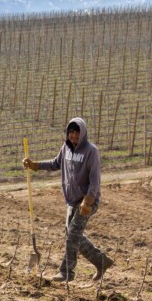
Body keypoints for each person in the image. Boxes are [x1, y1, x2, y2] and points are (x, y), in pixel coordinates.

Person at [23, 117, 114, 282]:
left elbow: (95, 180)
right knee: (72, 235)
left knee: (72, 233)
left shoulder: (91, 151)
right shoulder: (65, 148)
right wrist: (34, 165)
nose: (73, 136)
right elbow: (55, 163)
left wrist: (88, 201)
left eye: (77, 132)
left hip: (87, 200)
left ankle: (66, 272)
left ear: (83, 132)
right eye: (71, 132)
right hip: (72, 200)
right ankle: (101, 261)